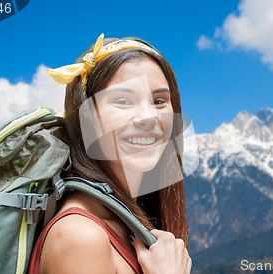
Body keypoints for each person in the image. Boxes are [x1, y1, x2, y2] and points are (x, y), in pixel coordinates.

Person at [27, 34, 192, 274]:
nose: (149, 117)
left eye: (159, 101)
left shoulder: (125, 223)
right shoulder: (80, 236)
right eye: (124, 101)